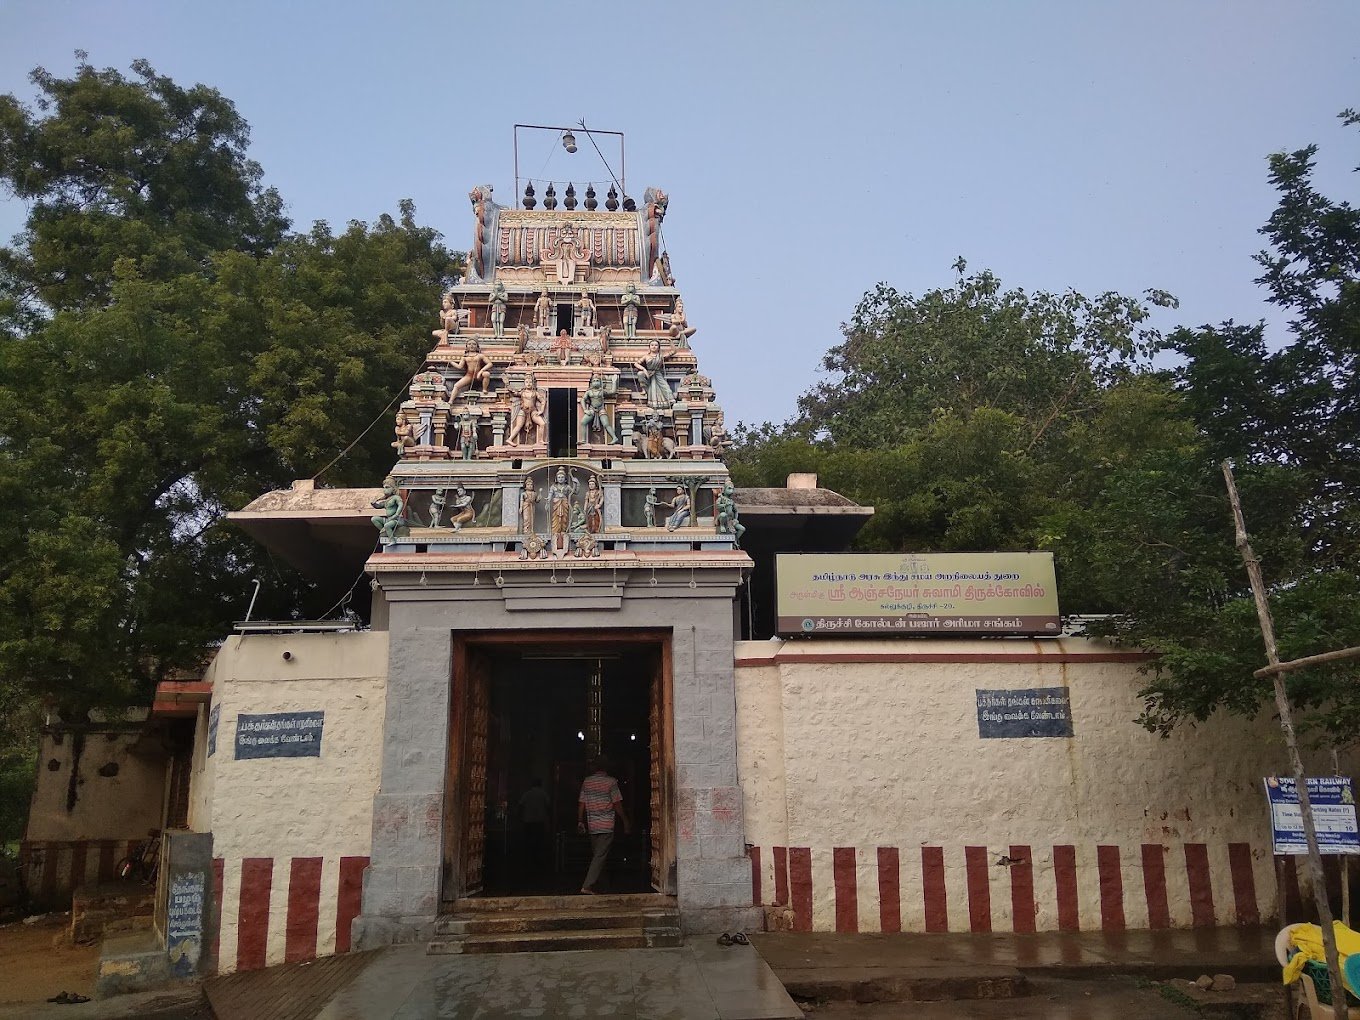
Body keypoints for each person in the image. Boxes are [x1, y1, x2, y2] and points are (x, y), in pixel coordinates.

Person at [577, 758, 629, 894]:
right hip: (606, 824)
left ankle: (602, 885)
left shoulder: (587, 782)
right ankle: (587, 885)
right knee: (600, 856)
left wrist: (580, 821)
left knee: (598, 855)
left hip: (592, 825)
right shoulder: (611, 782)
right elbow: (617, 804)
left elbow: (581, 803)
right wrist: (625, 820)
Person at [518, 778, 552, 874]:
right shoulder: (543, 794)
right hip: (539, 821)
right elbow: (548, 806)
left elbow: (520, 805)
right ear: (540, 784)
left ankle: (528, 860)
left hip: (528, 821)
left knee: (528, 841)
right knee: (539, 841)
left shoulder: (527, 794)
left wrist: (520, 818)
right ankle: (538, 860)